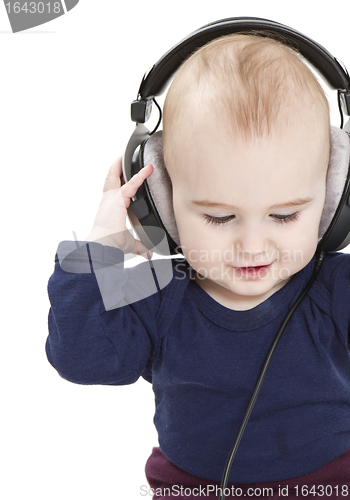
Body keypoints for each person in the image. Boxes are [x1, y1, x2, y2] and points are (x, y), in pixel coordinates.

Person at [46, 33, 350, 498]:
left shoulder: (335, 288)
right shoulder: (159, 286)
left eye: (285, 215)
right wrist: (101, 250)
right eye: (219, 217)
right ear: (161, 207)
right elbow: (81, 359)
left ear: (334, 203)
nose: (253, 246)